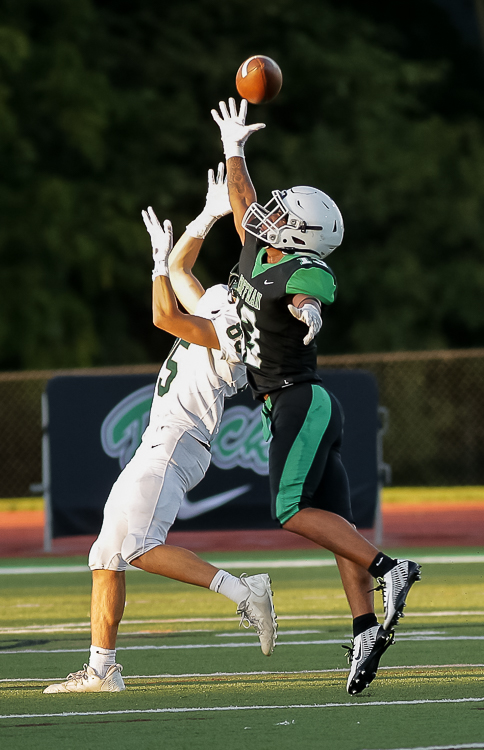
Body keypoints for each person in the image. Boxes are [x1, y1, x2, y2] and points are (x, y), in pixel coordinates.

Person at [211, 98, 421, 695]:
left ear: (300, 235)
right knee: (337, 525)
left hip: (299, 402)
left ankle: (391, 568)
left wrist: (308, 312)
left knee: (288, 509)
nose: (269, 212)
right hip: (303, 405)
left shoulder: (303, 266)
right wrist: (234, 150)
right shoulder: (259, 249)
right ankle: (363, 628)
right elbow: (244, 206)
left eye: (282, 213)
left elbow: (310, 290)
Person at [43, 165, 277, 694]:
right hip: (164, 440)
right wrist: (208, 215)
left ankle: (243, 590)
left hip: (176, 441)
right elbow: (181, 270)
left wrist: (155, 265)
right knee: (107, 554)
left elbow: (164, 315)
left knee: (140, 548)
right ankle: (102, 671)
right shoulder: (225, 303)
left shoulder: (241, 329)